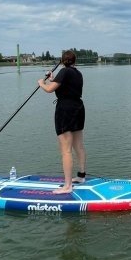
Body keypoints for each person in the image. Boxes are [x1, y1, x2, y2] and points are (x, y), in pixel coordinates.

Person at [38, 50, 87, 194]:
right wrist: (52, 78)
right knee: (79, 146)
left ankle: (67, 186)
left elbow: (49, 89)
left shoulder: (64, 71)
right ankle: (81, 176)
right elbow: (62, 85)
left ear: (62, 61)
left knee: (66, 150)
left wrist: (41, 83)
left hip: (65, 110)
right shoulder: (78, 73)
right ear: (74, 61)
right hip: (78, 108)